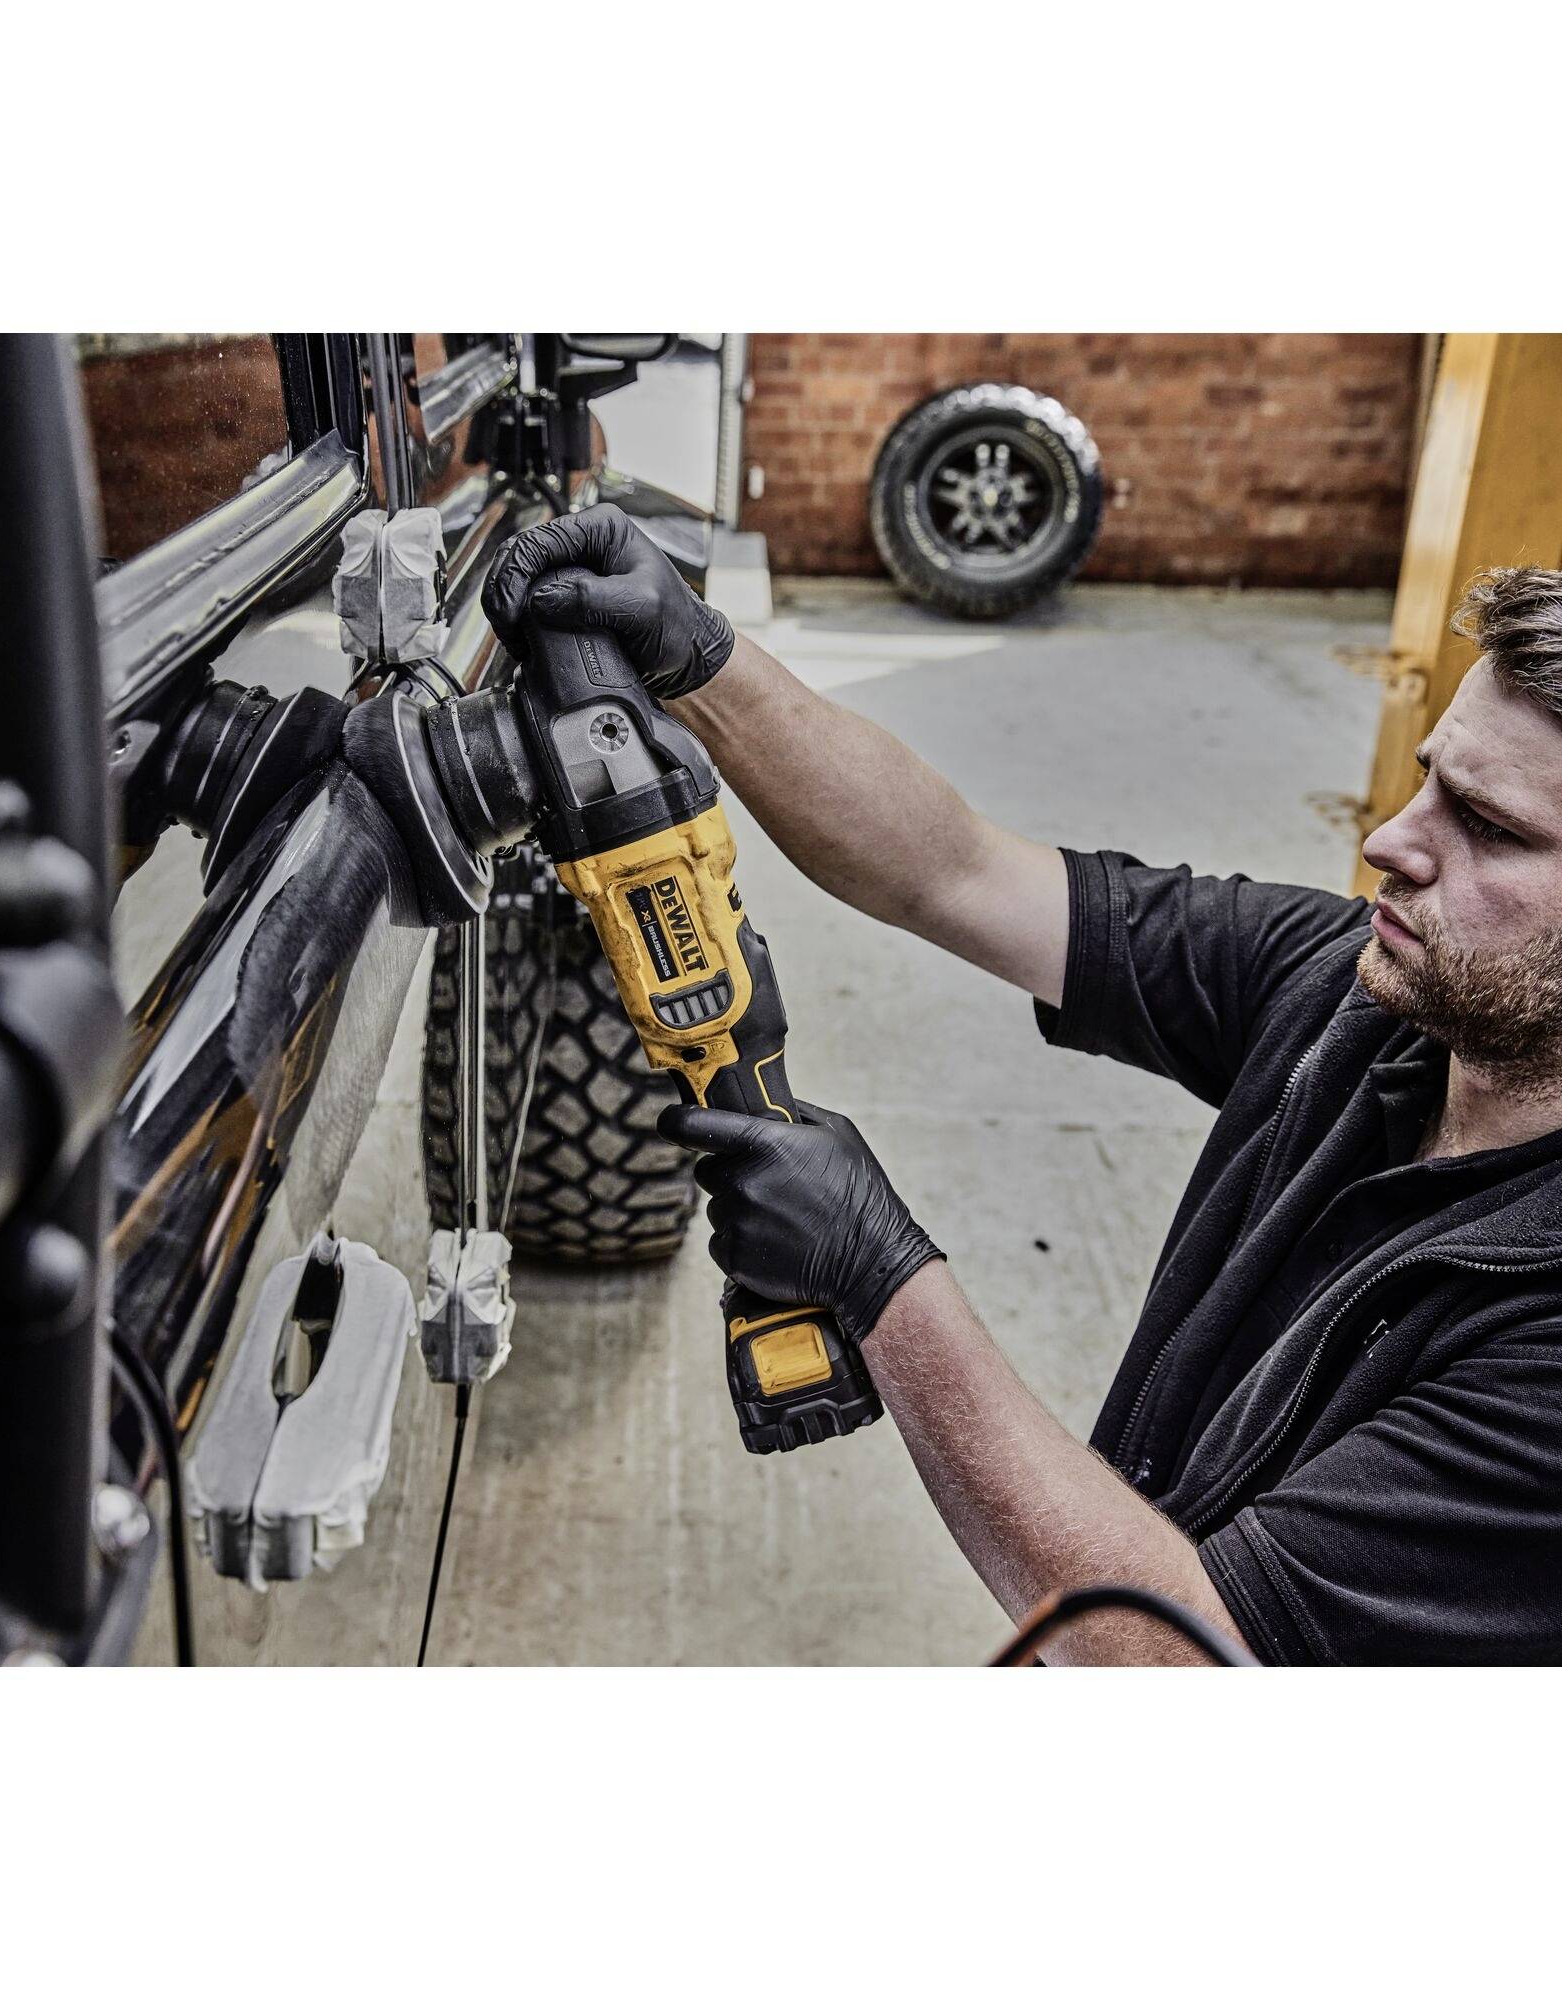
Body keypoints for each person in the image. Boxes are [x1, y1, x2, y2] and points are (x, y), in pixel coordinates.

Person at [483, 507, 1562, 1666]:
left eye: (1488, 827)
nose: (1392, 841)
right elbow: (956, 870)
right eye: (1425, 781)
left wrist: (880, 1276)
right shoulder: (1357, 998)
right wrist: (702, 660)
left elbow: (1174, 1659)